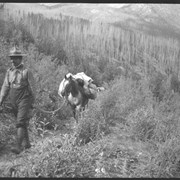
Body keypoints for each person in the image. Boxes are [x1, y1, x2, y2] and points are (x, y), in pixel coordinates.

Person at [0, 46, 36, 154]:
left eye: (15, 58)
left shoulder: (26, 72)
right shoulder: (9, 72)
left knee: (20, 122)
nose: (12, 60)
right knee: (21, 122)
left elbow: (33, 88)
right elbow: (5, 87)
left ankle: (18, 147)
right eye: (11, 58)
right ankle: (27, 144)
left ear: (20, 59)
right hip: (14, 102)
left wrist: (33, 102)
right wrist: (0, 101)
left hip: (24, 100)